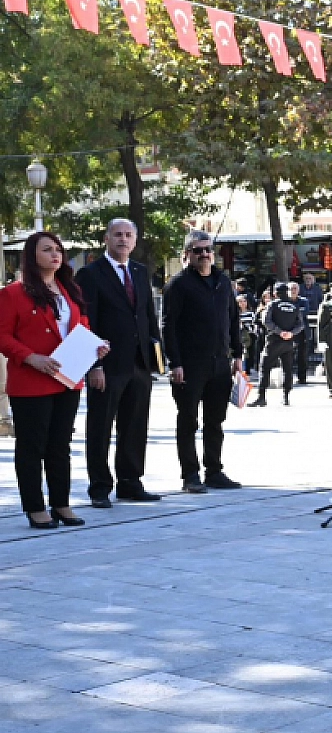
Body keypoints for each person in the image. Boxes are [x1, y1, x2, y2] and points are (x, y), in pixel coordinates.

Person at [0, 231, 108, 528]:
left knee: (60, 445)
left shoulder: (70, 290)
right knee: (32, 447)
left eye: (58, 249)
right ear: (32, 256)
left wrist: (94, 348)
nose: (55, 254)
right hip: (32, 380)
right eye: (47, 250)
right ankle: (35, 508)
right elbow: (3, 335)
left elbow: (81, 325)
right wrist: (29, 356)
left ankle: (61, 504)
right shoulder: (12, 294)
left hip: (67, 378)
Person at [80, 218, 164, 506]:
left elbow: (148, 316)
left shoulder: (140, 272)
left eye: (129, 235)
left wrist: (156, 357)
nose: (123, 239)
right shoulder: (90, 274)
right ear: (106, 238)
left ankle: (130, 482)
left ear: (135, 241)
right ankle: (100, 487)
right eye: (117, 234)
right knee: (101, 427)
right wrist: (94, 366)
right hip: (107, 364)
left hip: (139, 363)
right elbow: (85, 323)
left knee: (135, 425)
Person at [161, 231, 243, 494]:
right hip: (189, 365)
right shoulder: (178, 285)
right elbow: (168, 326)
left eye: (208, 249)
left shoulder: (223, 282)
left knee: (215, 421)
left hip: (220, 363)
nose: (204, 254)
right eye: (198, 250)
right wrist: (175, 363)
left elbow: (233, 320)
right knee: (188, 420)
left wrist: (238, 355)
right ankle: (190, 475)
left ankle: (215, 471)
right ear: (188, 254)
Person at [254, 282, 305, 407]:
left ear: (275, 293)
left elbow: (266, 321)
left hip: (274, 341)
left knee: (264, 368)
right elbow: (301, 325)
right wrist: (291, 333)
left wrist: (279, 331)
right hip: (288, 342)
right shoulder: (294, 306)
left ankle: (261, 397)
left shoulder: (272, 304)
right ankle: (286, 397)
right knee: (287, 370)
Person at [295, 273, 323, 384]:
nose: (308, 280)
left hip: (315, 314)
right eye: (306, 278)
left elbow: (320, 300)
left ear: (313, 280)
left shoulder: (317, 288)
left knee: (313, 336)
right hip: (301, 318)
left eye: (310, 279)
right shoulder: (300, 288)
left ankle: (314, 349)